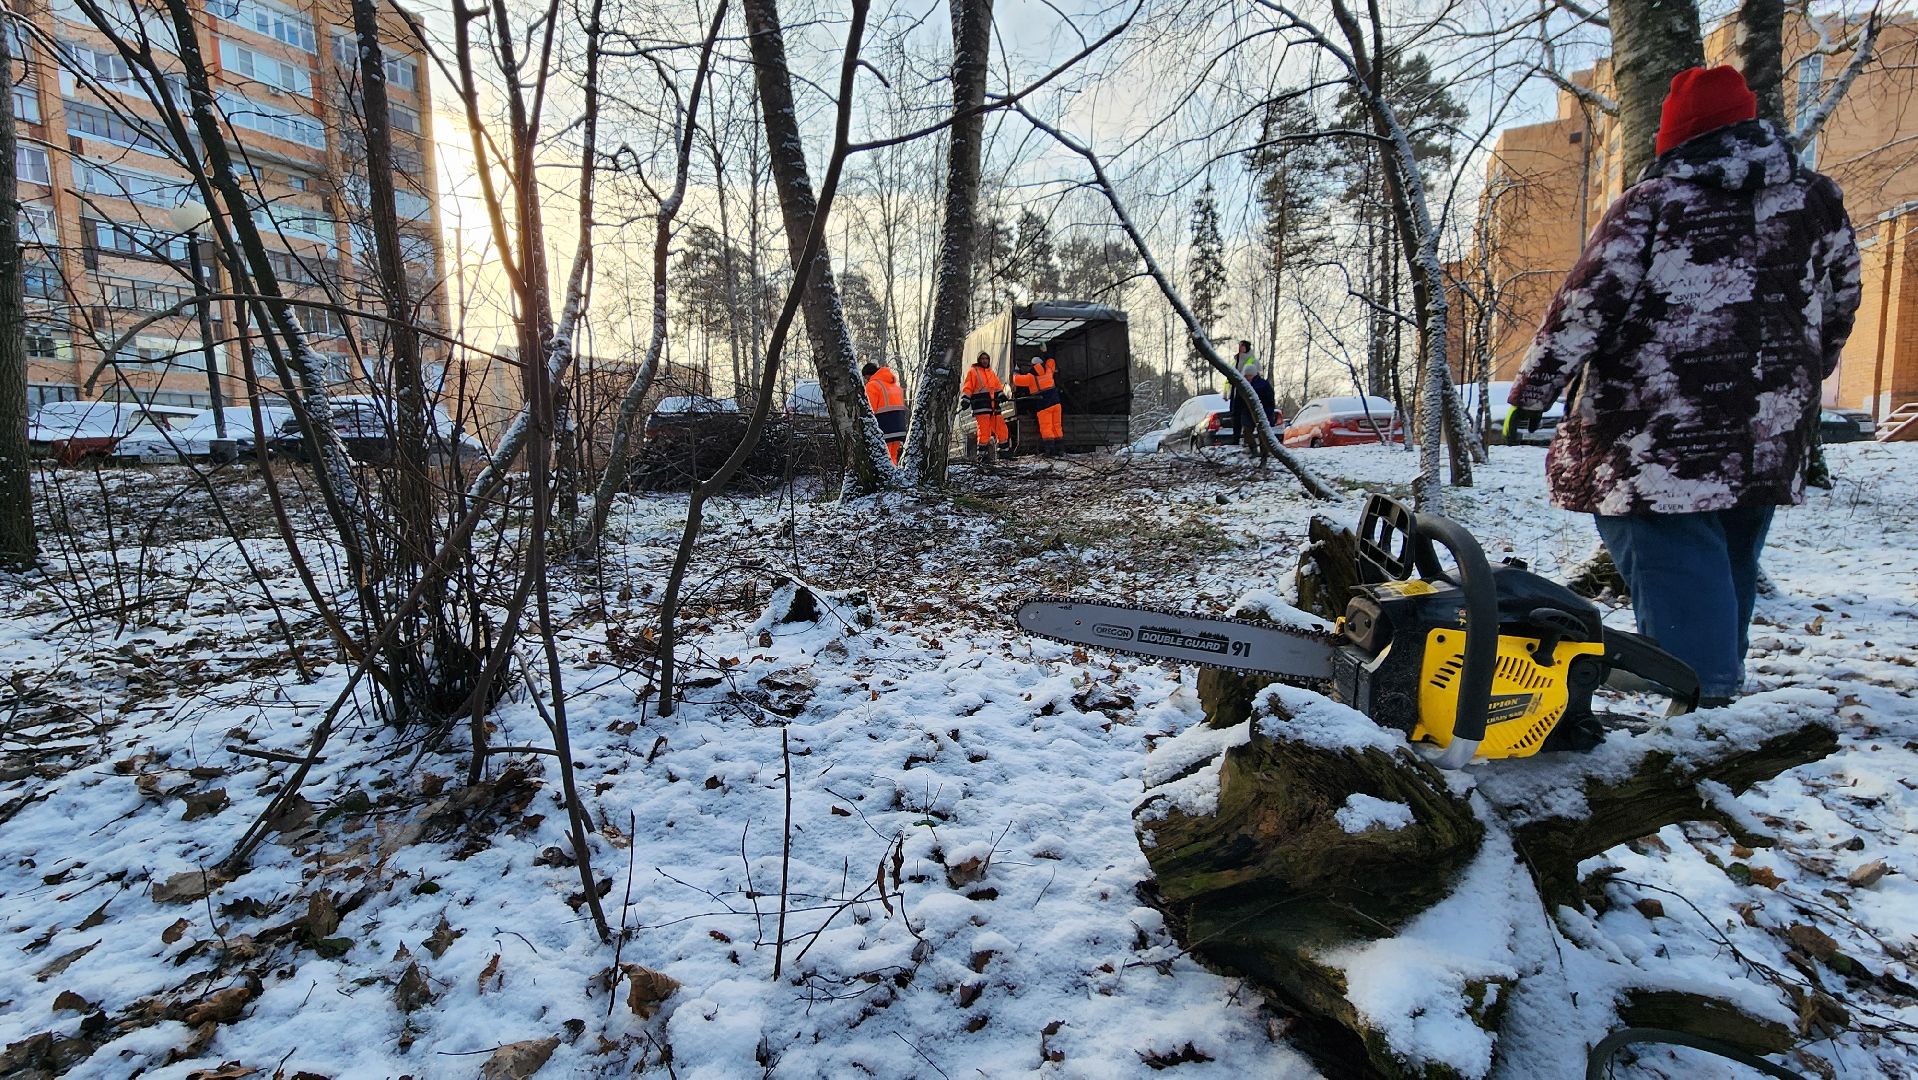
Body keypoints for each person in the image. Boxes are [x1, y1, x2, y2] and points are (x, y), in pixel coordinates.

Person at [1506, 66, 1861, 709]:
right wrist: (1800, 379)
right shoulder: (1817, 201)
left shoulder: (1656, 203)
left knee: (1667, 549)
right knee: (1728, 556)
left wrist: (1534, 389)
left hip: (1659, 427)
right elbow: (1840, 302)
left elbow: (1585, 304)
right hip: (1768, 428)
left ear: (1674, 138)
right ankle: (1716, 683)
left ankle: (1701, 703)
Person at [960, 352, 1010, 461]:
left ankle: (1004, 453)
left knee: (1002, 429)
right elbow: (968, 387)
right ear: (979, 360)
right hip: (981, 406)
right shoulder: (973, 372)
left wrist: (1002, 396)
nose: (985, 360)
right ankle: (982, 455)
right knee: (984, 431)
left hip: (993, 406)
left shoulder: (991, 373)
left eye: (986, 358)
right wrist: (965, 399)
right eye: (982, 358)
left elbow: (997, 387)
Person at [1012, 354, 1064, 456]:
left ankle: (1050, 451)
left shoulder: (1031, 377)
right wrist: (1045, 354)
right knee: (1057, 426)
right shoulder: (1049, 371)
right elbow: (1051, 361)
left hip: (1044, 405)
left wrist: (1016, 371)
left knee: (1046, 428)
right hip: (1056, 404)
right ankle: (1060, 450)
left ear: (1032, 365)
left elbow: (1016, 380)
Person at [862, 361, 907, 465]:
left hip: (884, 428)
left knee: (883, 460)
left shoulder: (872, 385)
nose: (866, 380)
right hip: (899, 428)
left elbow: (869, 410)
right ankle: (895, 479)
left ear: (868, 375)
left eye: (866, 378)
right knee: (893, 458)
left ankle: (886, 480)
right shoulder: (894, 386)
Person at [1226, 340, 1257, 445]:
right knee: (1235, 416)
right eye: (1239, 346)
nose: (1239, 348)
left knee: (1245, 416)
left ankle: (1246, 439)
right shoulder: (1235, 360)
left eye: (1242, 346)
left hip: (1245, 391)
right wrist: (1226, 392)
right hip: (1235, 391)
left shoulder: (1251, 360)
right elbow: (1229, 377)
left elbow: (1255, 375)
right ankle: (1236, 438)